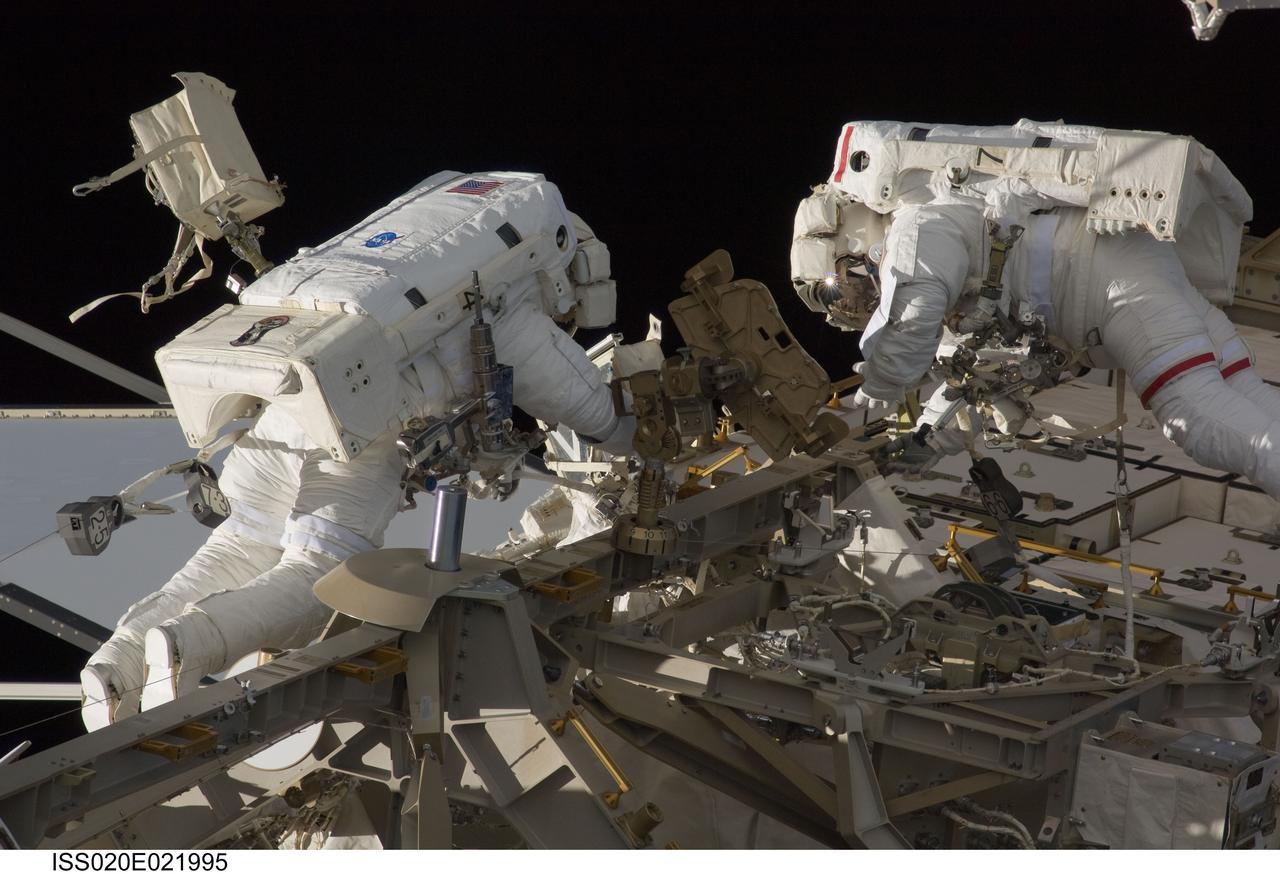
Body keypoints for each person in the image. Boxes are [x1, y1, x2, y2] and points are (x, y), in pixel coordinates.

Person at [81, 172, 630, 729]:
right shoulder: (513, 302)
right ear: (568, 268)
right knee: (318, 574)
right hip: (354, 434)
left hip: (277, 408)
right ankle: (190, 643)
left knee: (237, 546)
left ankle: (116, 665)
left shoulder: (451, 258)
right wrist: (632, 446)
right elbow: (588, 405)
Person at [791, 120, 1280, 498]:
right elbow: (963, 376)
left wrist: (880, 384)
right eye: (841, 306)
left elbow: (910, 313)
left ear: (850, 237)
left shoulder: (918, 228)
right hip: (1133, 271)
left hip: (1114, 285)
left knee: (1195, 417)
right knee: (1245, 395)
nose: (853, 302)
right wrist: (919, 443)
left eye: (842, 288)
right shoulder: (943, 258)